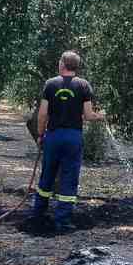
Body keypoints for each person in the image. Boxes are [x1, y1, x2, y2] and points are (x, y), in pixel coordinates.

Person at [31, 50, 104, 231]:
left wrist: (41, 134)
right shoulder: (84, 85)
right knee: (69, 177)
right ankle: (62, 221)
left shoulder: (50, 84)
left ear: (62, 64)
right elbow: (88, 115)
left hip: (54, 136)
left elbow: (42, 114)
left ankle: (38, 215)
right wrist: (101, 116)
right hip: (73, 137)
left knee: (47, 174)